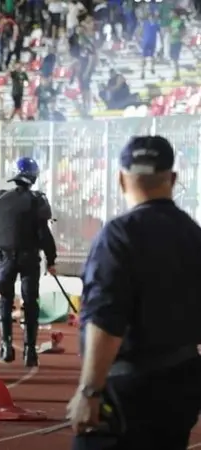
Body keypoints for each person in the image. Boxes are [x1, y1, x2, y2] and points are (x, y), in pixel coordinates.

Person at [67, 135, 201, 450]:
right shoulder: (193, 234)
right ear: (173, 178)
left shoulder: (118, 236)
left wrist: (90, 391)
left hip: (127, 389)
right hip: (182, 382)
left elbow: (106, 318)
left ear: (120, 179)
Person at [0, 157, 57, 367]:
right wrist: (51, 259)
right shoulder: (38, 200)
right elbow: (44, 234)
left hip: (5, 258)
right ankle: (30, 351)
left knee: (5, 300)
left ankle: (6, 346)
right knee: (30, 303)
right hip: (29, 258)